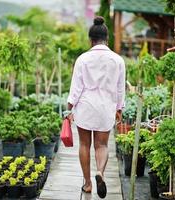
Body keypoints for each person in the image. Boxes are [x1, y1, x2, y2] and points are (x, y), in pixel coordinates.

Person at [65, 16, 125, 199]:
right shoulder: (118, 60)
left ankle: (88, 183)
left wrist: (69, 109)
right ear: (107, 39)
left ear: (91, 40)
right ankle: (100, 172)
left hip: (85, 106)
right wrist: (119, 108)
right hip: (106, 107)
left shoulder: (83, 59)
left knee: (85, 144)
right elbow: (120, 88)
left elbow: (76, 87)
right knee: (102, 145)